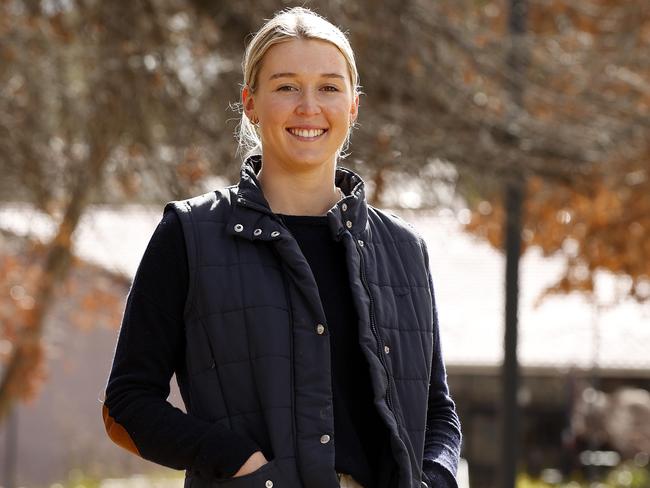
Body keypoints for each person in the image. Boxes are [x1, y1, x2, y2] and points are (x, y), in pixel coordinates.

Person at [101, 6, 461, 488]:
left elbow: (437, 411)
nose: (308, 107)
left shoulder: (404, 249)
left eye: (329, 88)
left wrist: (434, 479)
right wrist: (236, 461)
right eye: (287, 86)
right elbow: (127, 404)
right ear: (251, 103)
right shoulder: (189, 235)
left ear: (353, 106)